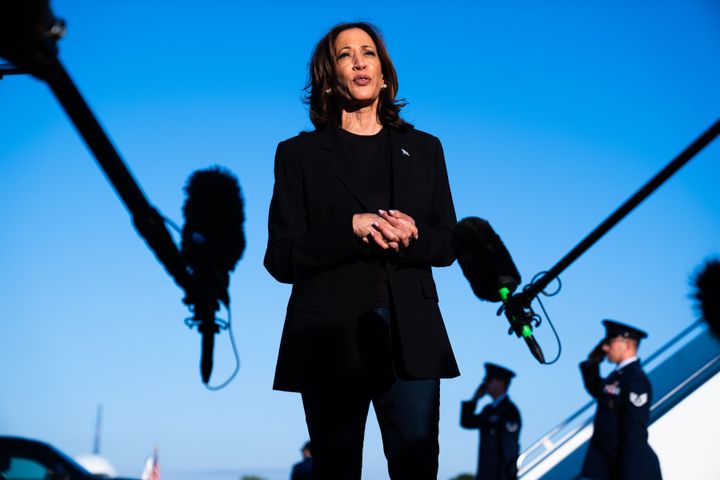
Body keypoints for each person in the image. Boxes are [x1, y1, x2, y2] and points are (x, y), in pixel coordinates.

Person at [264, 21, 459, 480]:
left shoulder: (426, 149)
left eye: (367, 52)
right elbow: (280, 257)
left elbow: (448, 243)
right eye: (344, 54)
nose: (357, 60)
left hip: (411, 333)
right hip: (329, 336)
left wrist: (414, 235)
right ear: (329, 76)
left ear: (384, 73)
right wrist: (348, 229)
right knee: (336, 469)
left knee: (416, 465)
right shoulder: (298, 155)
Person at [579, 320, 662, 480]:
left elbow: (634, 433)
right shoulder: (619, 376)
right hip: (610, 465)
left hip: (630, 470)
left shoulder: (634, 380)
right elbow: (600, 392)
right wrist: (592, 364)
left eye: (609, 342)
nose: (604, 347)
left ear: (627, 345)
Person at [460, 363, 521, 480]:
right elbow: (466, 422)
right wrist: (474, 399)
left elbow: (508, 449)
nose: (485, 383)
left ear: (501, 382)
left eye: (489, 379)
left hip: (499, 476)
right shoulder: (488, 410)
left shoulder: (510, 411)